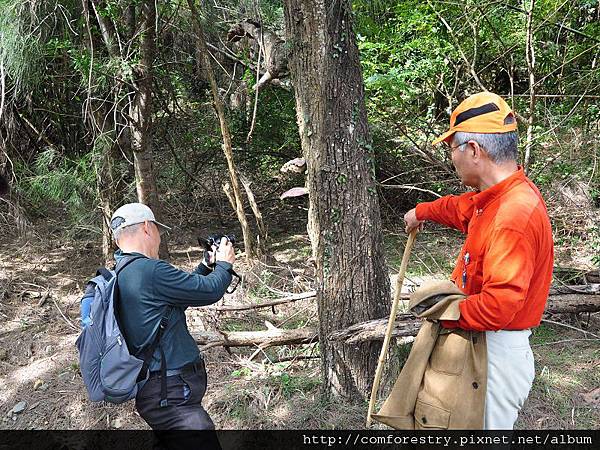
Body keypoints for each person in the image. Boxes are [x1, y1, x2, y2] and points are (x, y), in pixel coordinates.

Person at [403, 92, 554, 429]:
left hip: (494, 352)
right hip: (482, 341)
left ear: (473, 150)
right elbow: (459, 208)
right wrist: (420, 212)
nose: (452, 157)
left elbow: (498, 307)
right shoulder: (493, 200)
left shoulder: (512, 216)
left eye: (452, 148)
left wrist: (445, 311)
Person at [108, 202, 235, 433]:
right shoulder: (150, 270)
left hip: (159, 391)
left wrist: (206, 266)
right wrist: (225, 263)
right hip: (172, 394)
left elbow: (178, 297)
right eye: (158, 231)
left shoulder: (123, 272)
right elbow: (210, 291)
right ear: (147, 227)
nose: (159, 238)